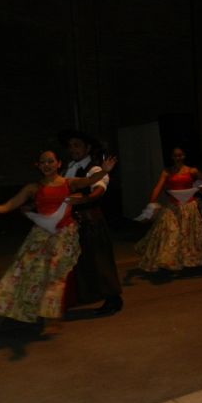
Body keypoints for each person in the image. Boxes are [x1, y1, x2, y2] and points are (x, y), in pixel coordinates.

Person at [0, 150, 117, 330]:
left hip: (65, 233)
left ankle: (50, 315)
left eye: (50, 161)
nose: (47, 165)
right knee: (19, 273)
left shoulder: (69, 183)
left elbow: (89, 181)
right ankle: (7, 307)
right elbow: (5, 207)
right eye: (43, 162)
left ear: (59, 164)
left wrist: (104, 171)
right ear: (38, 165)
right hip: (40, 235)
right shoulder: (32, 188)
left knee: (54, 273)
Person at [60, 130, 123, 316]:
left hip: (91, 221)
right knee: (81, 263)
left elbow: (99, 191)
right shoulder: (68, 169)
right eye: (71, 146)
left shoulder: (95, 169)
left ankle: (113, 299)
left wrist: (84, 199)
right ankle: (84, 296)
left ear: (87, 148)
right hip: (72, 222)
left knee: (99, 261)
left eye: (77, 145)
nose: (73, 149)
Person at [135, 146, 202, 271]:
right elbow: (158, 187)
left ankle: (186, 259)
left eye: (180, 155)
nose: (178, 158)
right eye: (176, 156)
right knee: (170, 232)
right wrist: (151, 202)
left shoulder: (191, 170)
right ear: (172, 157)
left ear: (184, 156)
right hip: (173, 206)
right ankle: (169, 260)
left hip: (189, 206)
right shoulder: (166, 172)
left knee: (188, 234)